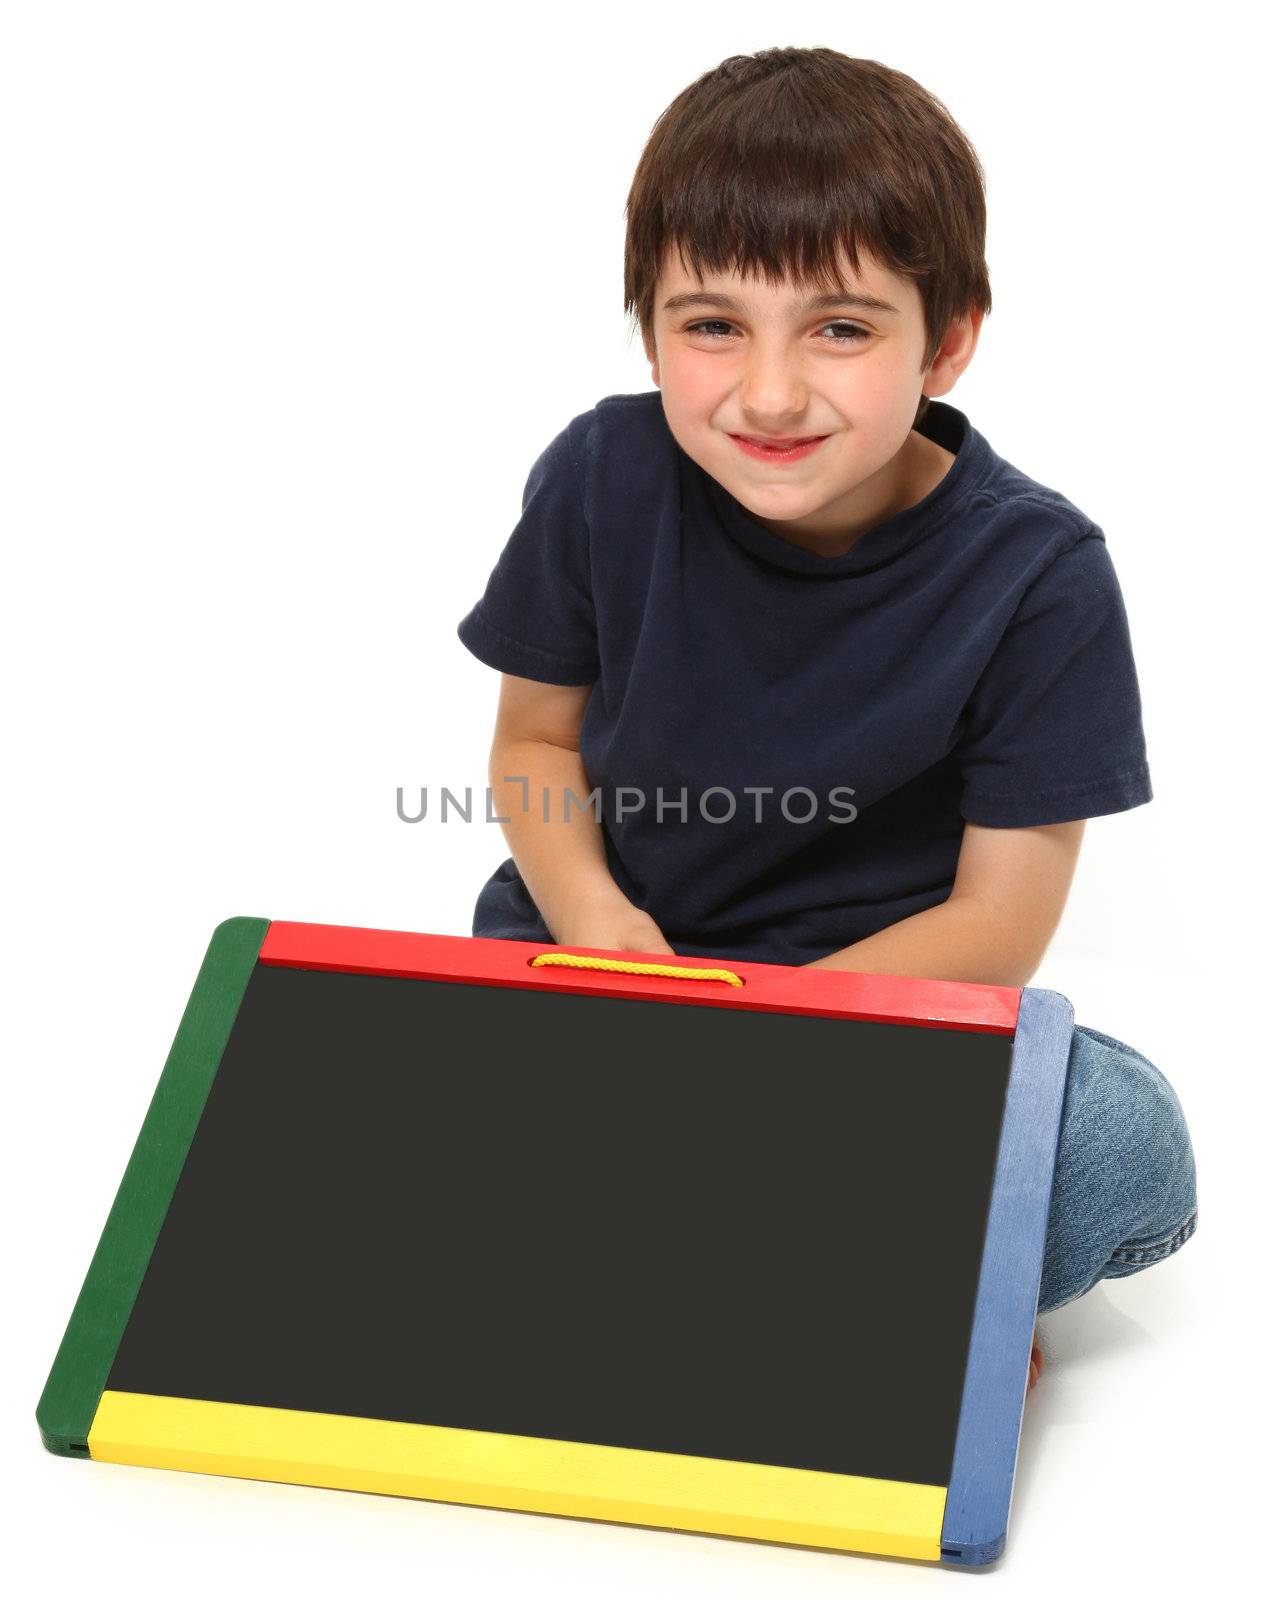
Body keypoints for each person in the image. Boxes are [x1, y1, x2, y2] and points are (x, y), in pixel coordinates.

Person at [455, 47, 1197, 1393]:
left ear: (949, 338)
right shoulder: (600, 474)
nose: (769, 393)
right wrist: (601, 929)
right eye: (711, 324)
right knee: (355, 1052)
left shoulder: (1039, 572)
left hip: (865, 1032)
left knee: (1120, 1135)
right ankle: (836, 1276)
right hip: (608, 987)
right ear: (648, 327)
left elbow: (996, 921)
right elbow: (534, 746)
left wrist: (762, 1035)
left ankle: (739, 1269)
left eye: (840, 329)